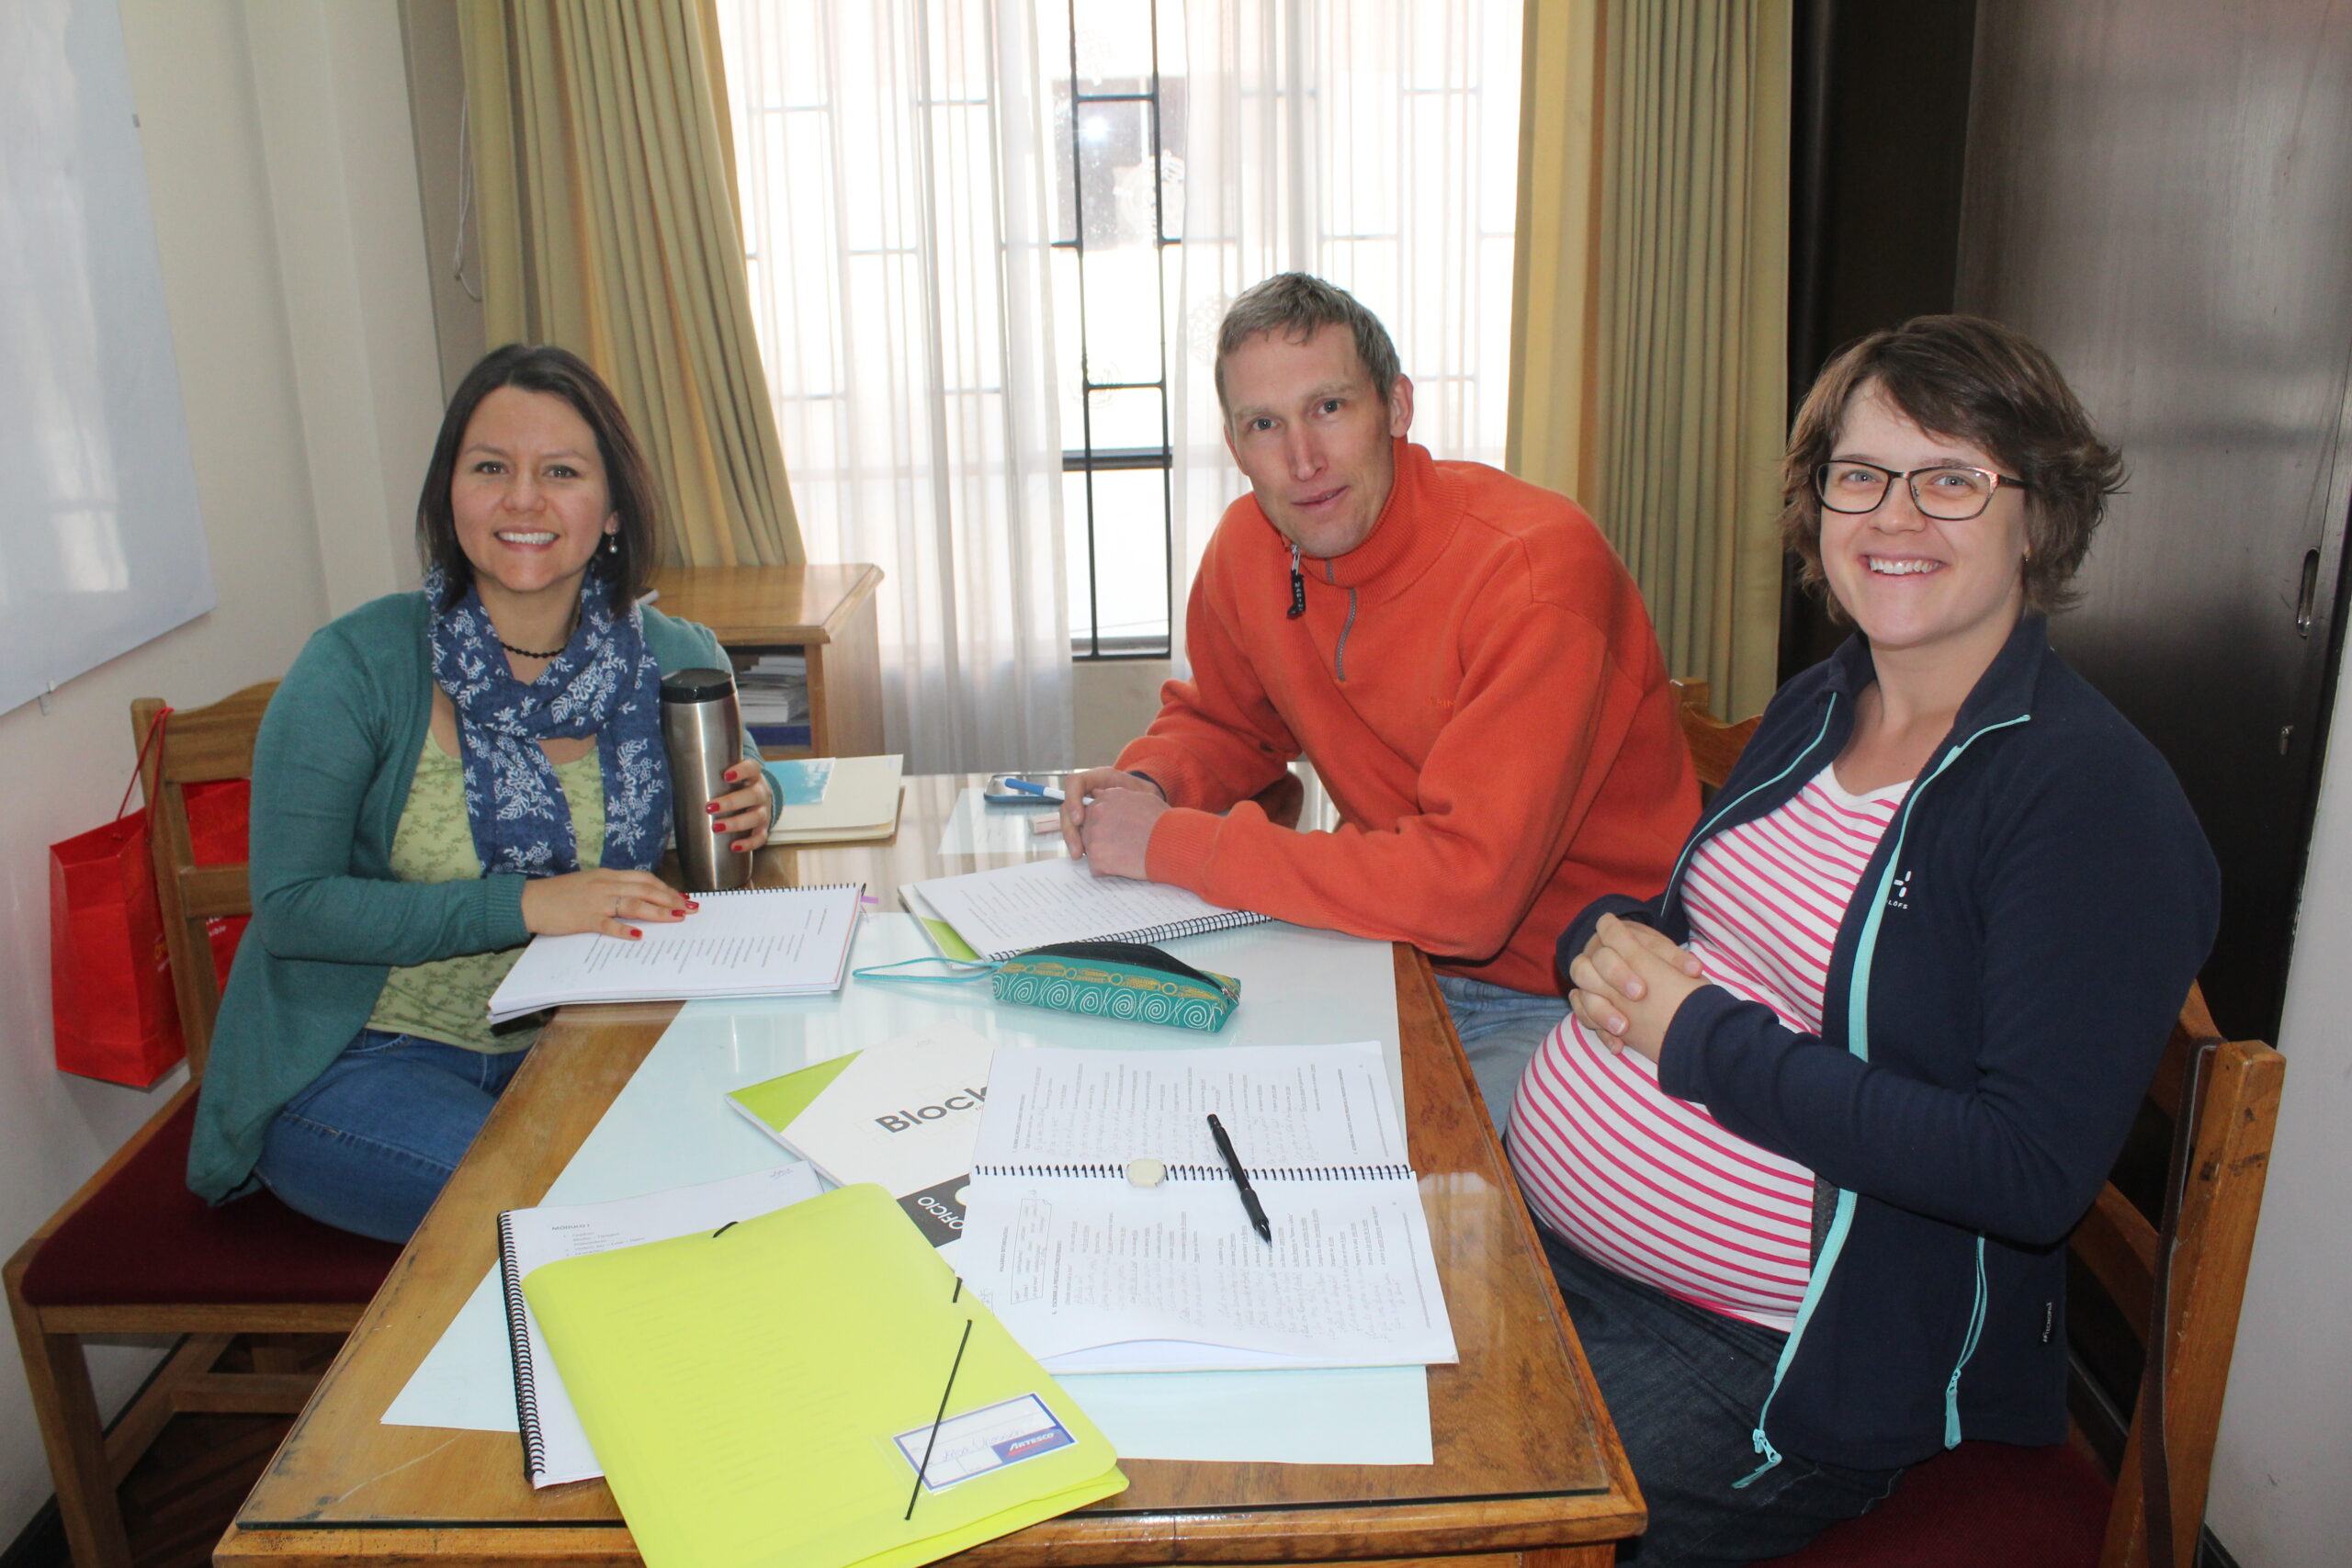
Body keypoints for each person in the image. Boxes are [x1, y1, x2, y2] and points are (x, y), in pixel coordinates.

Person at [1509, 315, 2219, 1565]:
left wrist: (1699, 1042)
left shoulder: (2089, 801)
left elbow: (2024, 1169)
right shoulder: (1828, 697)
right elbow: (1701, 927)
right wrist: (1599, 942)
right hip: (1548, 1236)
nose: (1894, 515)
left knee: (1424, 1521)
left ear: (2039, 517)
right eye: (1861, 474)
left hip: (1773, 1356)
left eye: (1952, 479)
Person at [1061, 274, 1696, 1125]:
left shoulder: (1535, 572)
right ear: (1235, 445)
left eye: (1328, 408)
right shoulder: (1251, 545)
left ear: (1396, 407)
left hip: (1566, 990)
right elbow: (1227, 723)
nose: (1303, 461)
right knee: (1157, 1102)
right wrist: (1150, 785)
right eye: (1264, 425)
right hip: (1376, 946)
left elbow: (1466, 895)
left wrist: (1170, 842)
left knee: (1373, 1172)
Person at [185, 344, 775, 1242]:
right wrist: (526, 903)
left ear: (613, 507)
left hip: (583, 1042)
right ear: (449, 495)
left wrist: (762, 799)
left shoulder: (672, 655)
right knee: (590, 1219)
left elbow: (751, 779)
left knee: (752, 1171)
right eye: (491, 467)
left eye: (561, 472)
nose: (522, 499)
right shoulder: (355, 665)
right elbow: (294, 907)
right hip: (363, 1063)